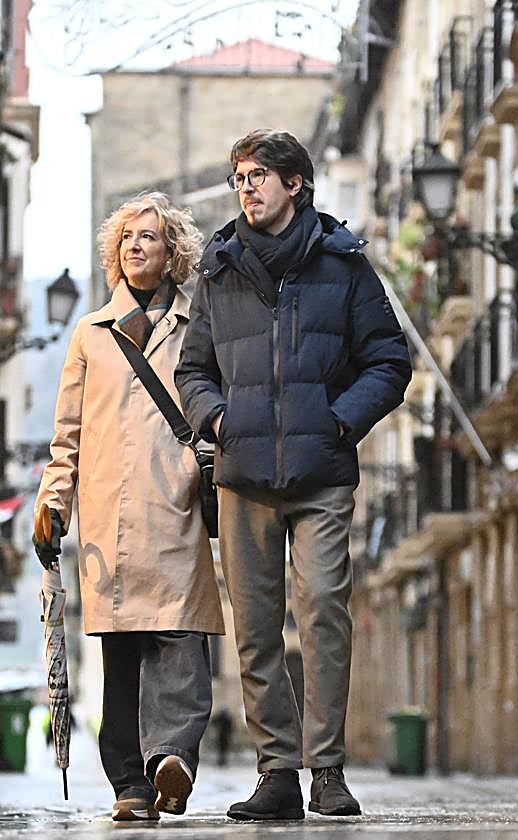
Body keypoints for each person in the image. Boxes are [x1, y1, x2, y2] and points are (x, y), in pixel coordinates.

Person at [175, 129, 412, 820]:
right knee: (252, 627)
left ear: (295, 184)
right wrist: (217, 419)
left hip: (322, 472)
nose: (245, 187)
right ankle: (277, 771)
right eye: (239, 178)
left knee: (322, 615)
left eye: (258, 176)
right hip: (243, 474)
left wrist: (339, 422)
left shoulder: (344, 266)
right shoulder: (217, 270)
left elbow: (389, 361)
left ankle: (328, 771)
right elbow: (194, 369)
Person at [33, 192, 225, 822]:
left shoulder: (202, 327)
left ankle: (171, 757)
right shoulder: (90, 335)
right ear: (115, 254)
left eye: (150, 236)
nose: (136, 245)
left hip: (176, 504)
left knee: (180, 640)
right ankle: (129, 785)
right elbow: (67, 435)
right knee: (119, 653)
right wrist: (53, 500)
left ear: (174, 252)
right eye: (126, 238)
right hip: (108, 516)